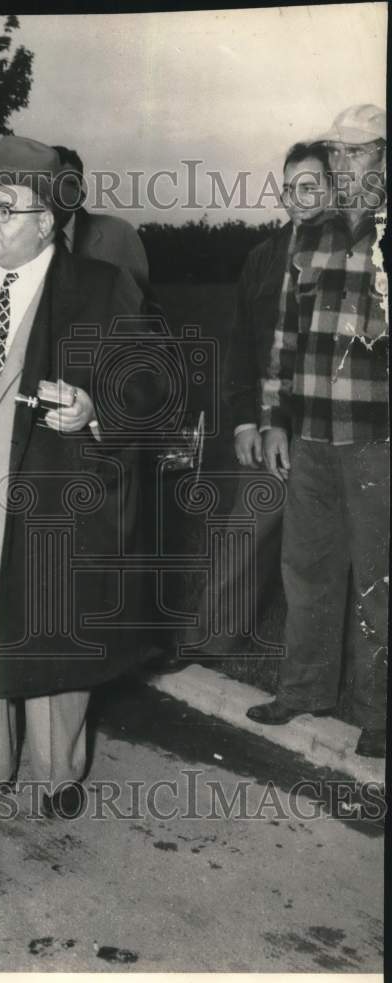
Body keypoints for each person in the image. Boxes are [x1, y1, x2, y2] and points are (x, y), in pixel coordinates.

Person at [0, 136, 165, 818]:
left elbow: (144, 385)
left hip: (46, 474)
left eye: (6, 209)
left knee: (48, 623)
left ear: (47, 220)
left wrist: (93, 410)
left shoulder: (98, 286)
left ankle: (57, 773)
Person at [249, 105, 388, 759]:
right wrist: (274, 420)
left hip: (377, 440)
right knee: (306, 569)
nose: (343, 164)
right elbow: (283, 340)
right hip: (311, 441)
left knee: (379, 576)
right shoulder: (310, 236)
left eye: (357, 153)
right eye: (336, 152)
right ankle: (303, 687)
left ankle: (378, 710)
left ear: (383, 158)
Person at [174, 142, 332, 664]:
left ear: (334, 187)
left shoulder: (360, 251)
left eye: (311, 183)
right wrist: (245, 423)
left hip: (339, 427)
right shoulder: (264, 258)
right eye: (290, 187)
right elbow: (240, 348)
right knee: (247, 535)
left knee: (337, 553)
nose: (299, 196)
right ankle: (209, 645)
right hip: (272, 426)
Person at [52, 144, 150, 289]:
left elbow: (142, 303)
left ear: (81, 194)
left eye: (69, 183)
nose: (58, 191)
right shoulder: (18, 235)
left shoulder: (119, 234)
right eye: (49, 181)